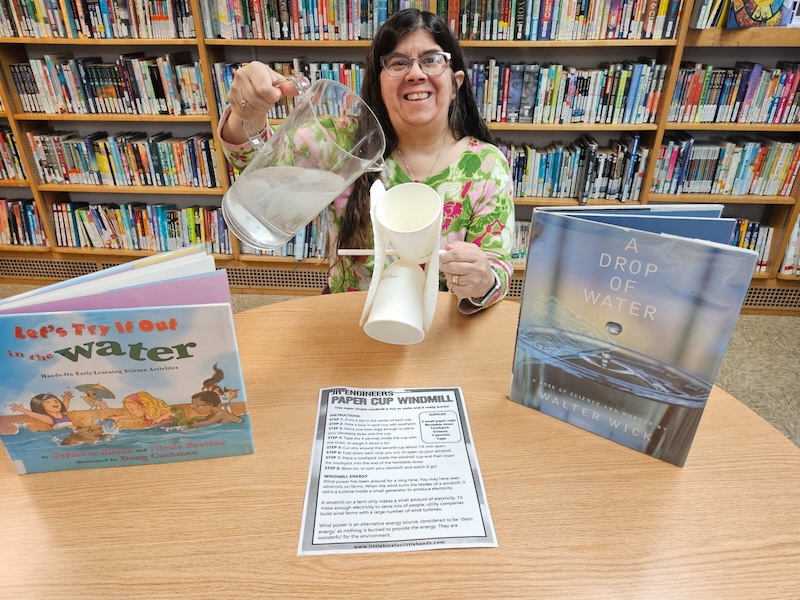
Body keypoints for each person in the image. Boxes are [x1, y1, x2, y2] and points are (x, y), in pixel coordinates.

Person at [219, 8, 514, 313]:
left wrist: (483, 280)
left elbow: (498, 271)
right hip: (347, 317)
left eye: (431, 60)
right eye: (398, 63)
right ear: (378, 83)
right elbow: (255, 161)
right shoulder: (341, 141)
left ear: (456, 83)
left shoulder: (486, 166)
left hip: (438, 325)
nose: (416, 73)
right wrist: (247, 112)